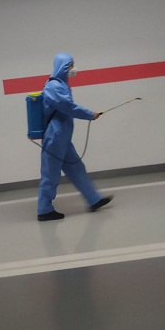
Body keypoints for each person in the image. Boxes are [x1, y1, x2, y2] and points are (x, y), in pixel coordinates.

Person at [37, 52, 113, 221]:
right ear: (62, 66)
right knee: (51, 174)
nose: (73, 68)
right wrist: (90, 114)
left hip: (62, 138)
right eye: (70, 65)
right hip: (55, 137)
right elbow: (68, 107)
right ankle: (44, 209)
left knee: (76, 168)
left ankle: (94, 199)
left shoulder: (62, 84)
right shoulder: (53, 86)